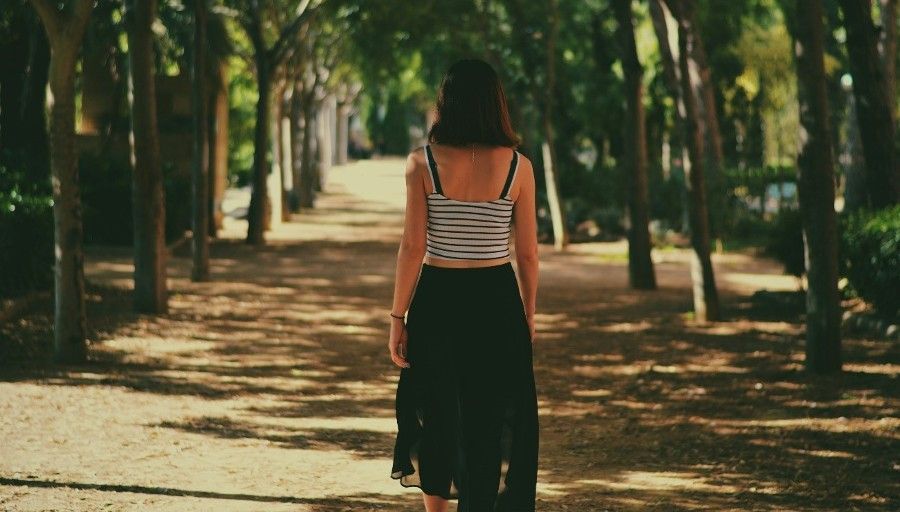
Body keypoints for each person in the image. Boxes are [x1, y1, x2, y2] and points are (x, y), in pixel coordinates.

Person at [387, 58, 540, 512]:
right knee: (489, 415)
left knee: (437, 411)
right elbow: (528, 254)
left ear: (446, 104)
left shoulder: (423, 163)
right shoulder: (519, 167)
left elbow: (413, 247)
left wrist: (398, 316)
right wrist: (527, 316)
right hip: (497, 300)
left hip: (438, 299)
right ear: (497, 105)